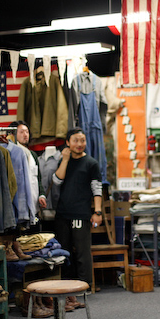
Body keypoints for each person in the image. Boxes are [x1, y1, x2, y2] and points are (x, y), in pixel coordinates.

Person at [53, 127, 103, 308]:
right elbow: (57, 181)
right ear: (68, 142)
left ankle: (85, 286)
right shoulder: (62, 160)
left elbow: (97, 188)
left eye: (82, 140)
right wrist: (65, 160)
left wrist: (98, 212)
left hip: (81, 213)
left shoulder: (91, 163)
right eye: (75, 140)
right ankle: (66, 286)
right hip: (62, 213)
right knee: (63, 251)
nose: (80, 144)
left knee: (82, 252)